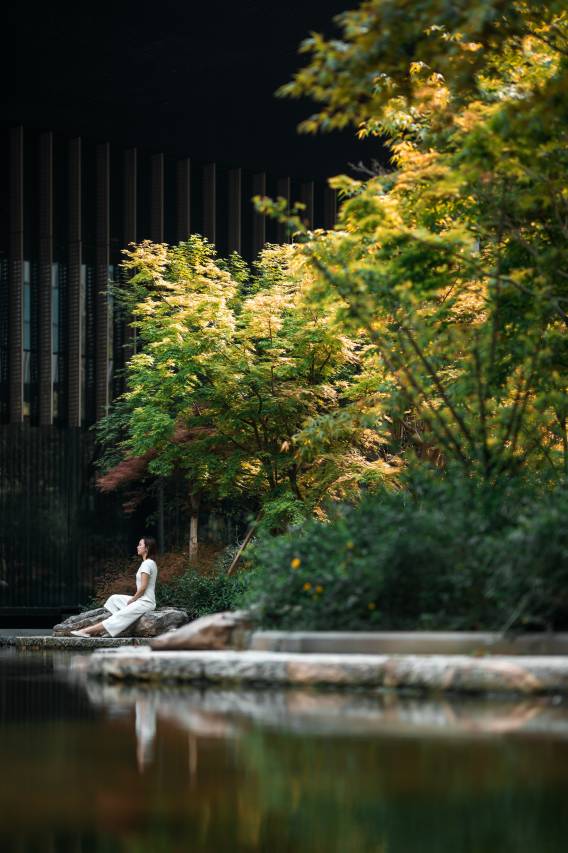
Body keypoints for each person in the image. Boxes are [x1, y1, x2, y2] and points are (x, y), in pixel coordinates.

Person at [71, 537, 158, 638]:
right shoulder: (149, 563)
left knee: (119, 615)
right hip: (142, 600)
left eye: (140, 545)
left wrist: (133, 599)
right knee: (114, 599)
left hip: (145, 602)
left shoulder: (147, 564)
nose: (137, 547)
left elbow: (143, 588)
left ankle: (86, 631)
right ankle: (121, 625)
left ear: (146, 548)